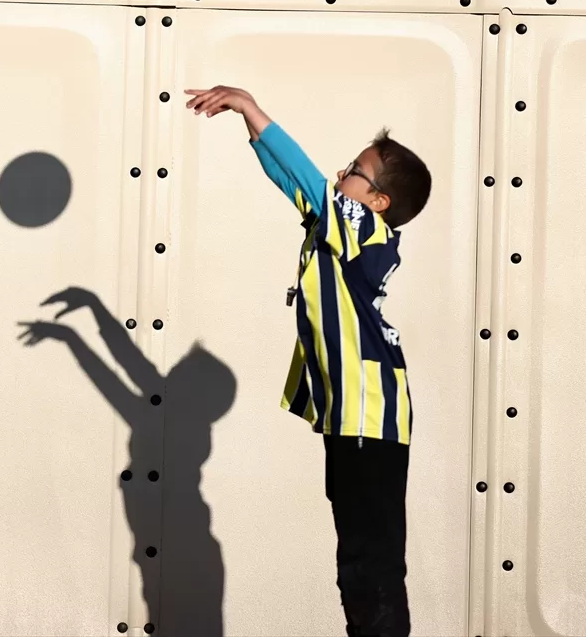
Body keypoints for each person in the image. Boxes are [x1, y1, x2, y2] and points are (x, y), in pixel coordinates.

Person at [184, 85, 431, 637]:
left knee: (371, 563)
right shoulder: (337, 228)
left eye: (355, 171)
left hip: (369, 415)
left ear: (377, 201)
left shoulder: (364, 229)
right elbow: (288, 178)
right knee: (358, 562)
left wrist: (250, 106)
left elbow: (308, 178)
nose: (342, 173)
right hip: (353, 418)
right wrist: (249, 127)